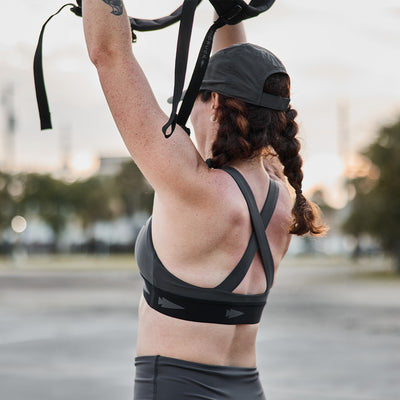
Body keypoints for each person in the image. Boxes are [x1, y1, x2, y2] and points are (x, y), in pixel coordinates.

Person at [82, 1, 327, 399]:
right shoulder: (281, 196)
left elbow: (109, 54)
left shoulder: (194, 187)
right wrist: (226, 9)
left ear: (214, 104)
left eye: (194, 98)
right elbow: (238, 67)